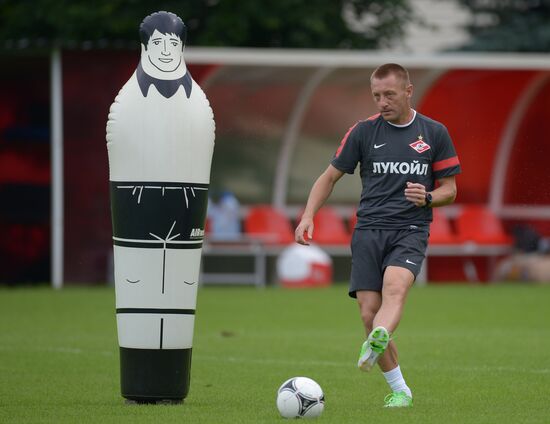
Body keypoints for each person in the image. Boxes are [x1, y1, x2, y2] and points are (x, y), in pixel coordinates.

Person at [294, 63, 461, 408]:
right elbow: (329, 177)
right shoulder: (363, 132)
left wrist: (428, 197)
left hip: (410, 229)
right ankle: (400, 387)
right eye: (376, 95)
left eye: (389, 94)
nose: (382, 102)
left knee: (395, 289)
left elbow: (450, 190)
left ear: (408, 91)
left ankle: (380, 339)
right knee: (369, 314)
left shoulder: (434, 132)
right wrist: (308, 215)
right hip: (368, 230)